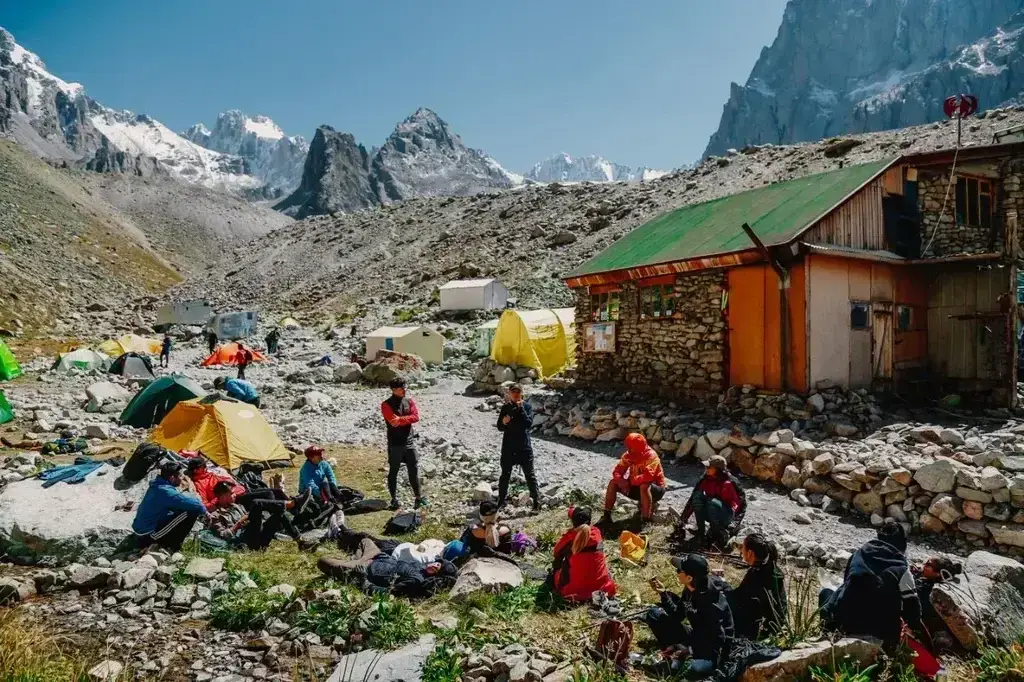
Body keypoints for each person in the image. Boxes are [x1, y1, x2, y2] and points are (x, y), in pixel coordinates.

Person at [819, 521, 921, 651]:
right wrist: (915, 629)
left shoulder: (858, 555)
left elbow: (847, 583)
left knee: (827, 592)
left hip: (845, 622)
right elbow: (912, 607)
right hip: (881, 633)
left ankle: (826, 633)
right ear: (902, 544)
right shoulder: (902, 569)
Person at [645, 554, 735, 679]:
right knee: (654, 615)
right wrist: (664, 595)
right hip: (697, 635)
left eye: (679, 570)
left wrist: (689, 650)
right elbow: (678, 615)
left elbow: (718, 639)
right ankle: (678, 650)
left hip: (713, 650)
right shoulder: (689, 589)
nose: (677, 572)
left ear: (689, 577)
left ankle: (681, 657)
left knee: (687, 668)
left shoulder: (711, 602)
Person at [318, 537, 458, 599]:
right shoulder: (422, 566)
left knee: (323, 561)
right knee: (365, 540)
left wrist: (364, 581)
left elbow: (388, 593)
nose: (433, 566)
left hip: (366, 569)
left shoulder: (417, 581)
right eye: (437, 564)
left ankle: (353, 562)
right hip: (378, 556)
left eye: (436, 569)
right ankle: (354, 560)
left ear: (436, 577)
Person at [132, 462, 209, 552]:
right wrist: (206, 512)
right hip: (147, 535)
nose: (182, 479)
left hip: (140, 529)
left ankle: (166, 543)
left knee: (180, 509)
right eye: (180, 476)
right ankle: (172, 546)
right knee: (191, 512)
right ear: (172, 478)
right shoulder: (166, 492)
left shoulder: (157, 484)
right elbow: (197, 505)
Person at [550, 506, 617, 602]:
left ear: (573, 523)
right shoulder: (597, 534)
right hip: (602, 589)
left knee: (556, 569)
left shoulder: (570, 537)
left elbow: (556, 552)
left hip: (573, 593)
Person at [728, 533, 788, 640]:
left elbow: (739, 597)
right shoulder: (771, 569)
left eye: (743, 548)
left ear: (750, 553)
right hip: (775, 625)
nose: (741, 551)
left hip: (759, 630)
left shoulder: (756, 576)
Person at [680, 455, 747, 549]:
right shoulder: (705, 478)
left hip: (726, 515)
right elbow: (692, 500)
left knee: (712, 502)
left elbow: (742, 505)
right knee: (697, 496)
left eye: (709, 467)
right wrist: (682, 520)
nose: (706, 469)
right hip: (711, 511)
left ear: (718, 469)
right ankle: (701, 532)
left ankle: (718, 534)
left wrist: (733, 525)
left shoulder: (731, 482)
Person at [207, 481, 299, 548]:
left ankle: (299, 540)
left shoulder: (236, 506)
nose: (234, 495)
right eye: (231, 494)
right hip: (245, 540)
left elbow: (249, 517)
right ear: (223, 496)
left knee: (279, 513)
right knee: (256, 503)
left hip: (258, 534)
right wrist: (238, 524)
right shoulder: (216, 515)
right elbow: (222, 535)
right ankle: (291, 504)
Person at [600, 433, 666, 526]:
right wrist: (621, 481)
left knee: (644, 485)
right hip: (636, 486)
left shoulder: (651, 456)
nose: (628, 449)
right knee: (613, 483)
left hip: (656, 490)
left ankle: (646, 521)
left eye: (630, 447)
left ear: (638, 447)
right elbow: (617, 471)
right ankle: (606, 516)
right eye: (628, 447)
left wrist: (630, 481)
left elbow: (648, 476)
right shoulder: (628, 455)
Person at [380, 378, 425, 510]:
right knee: (394, 471)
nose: (404, 390)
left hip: (409, 441)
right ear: (394, 390)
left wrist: (401, 419)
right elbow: (393, 421)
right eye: (401, 389)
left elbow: (416, 417)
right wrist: (404, 419)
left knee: (413, 469)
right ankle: (394, 499)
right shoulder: (386, 404)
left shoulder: (409, 401)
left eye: (405, 387)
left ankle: (418, 498)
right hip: (395, 443)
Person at [496, 383, 540, 511]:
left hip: (524, 447)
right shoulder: (506, 407)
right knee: (505, 474)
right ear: (509, 394)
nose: (516, 395)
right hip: (509, 447)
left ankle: (536, 501)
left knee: (530, 475)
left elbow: (528, 424)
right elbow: (499, 426)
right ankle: (501, 500)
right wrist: (504, 422)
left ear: (522, 394)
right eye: (513, 392)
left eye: (518, 392)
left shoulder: (527, 407)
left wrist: (521, 409)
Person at [913, 556, 962, 652]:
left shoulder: (925, 591)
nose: (924, 565)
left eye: (928, 565)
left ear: (937, 574)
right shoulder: (923, 579)